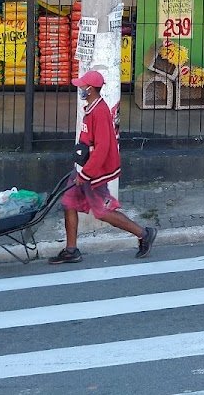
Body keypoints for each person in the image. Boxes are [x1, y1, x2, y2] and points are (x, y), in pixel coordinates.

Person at [48, 68, 157, 264]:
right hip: (83, 167)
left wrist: (86, 174)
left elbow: (102, 148)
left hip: (93, 173)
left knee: (102, 211)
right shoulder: (91, 108)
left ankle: (144, 234)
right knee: (69, 203)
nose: (80, 89)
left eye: (82, 86)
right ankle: (71, 250)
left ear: (90, 89)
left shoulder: (99, 112)